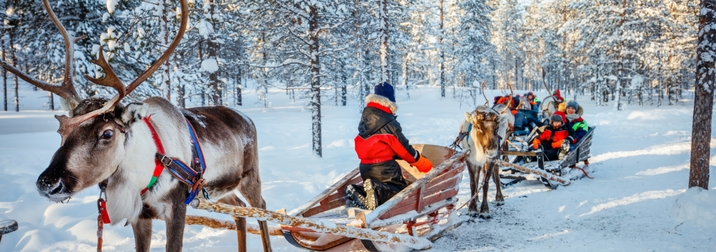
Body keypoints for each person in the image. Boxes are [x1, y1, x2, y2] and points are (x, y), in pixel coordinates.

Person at [346, 82, 433, 210]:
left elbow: (373, 144)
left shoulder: (366, 118)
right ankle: (376, 190)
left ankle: (358, 190)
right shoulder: (388, 122)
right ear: (390, 102)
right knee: (400, 193)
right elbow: (404, 149)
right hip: (385, 169)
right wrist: (421, 162)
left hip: (365, 168)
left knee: (377, 192)